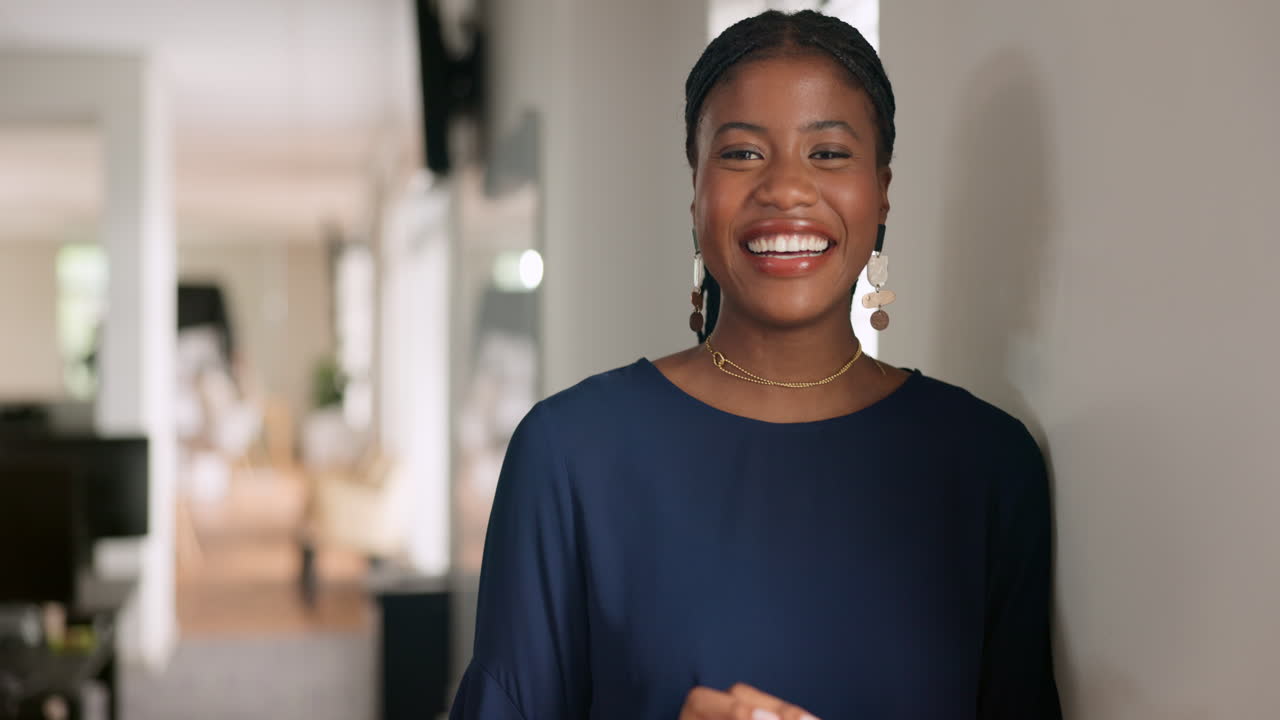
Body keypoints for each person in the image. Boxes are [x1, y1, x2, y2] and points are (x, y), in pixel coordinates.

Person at [449, 10, 1061, 720]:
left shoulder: (989, 465)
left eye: (828, 153)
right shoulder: (570, 455)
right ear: (695, 190)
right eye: (742, 154)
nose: (786, 189)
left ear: (882, 188)